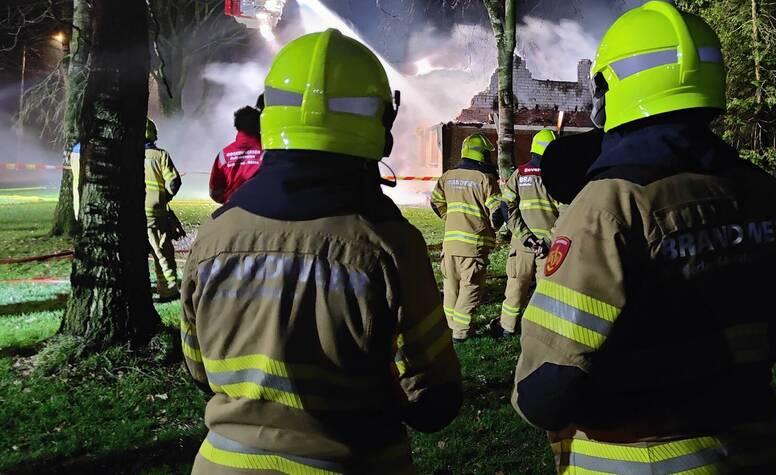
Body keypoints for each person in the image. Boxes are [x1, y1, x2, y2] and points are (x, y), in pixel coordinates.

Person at [511, 0, 776, 473]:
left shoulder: (609, 206)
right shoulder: (763, 192)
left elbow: (547, 391)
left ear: (607, 90)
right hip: (749, 451)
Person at [180, 29, 462, 474]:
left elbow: (199, 369)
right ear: (381, 126)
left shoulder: (216, 235)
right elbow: (432, 400)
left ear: (269, 114)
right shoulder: (388, 243)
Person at [430, 133, 503, 340]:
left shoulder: (447, 176)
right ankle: (461, 333)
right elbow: (496, 214)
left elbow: (436, 202)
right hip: (474, 246)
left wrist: (450, 218)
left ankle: (450, 328)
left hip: (450, 245)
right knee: (470, 289)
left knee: (451, 287)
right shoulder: (485, 179)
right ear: (481, 154)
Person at [495, 128, 559, 337]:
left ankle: (508, 328)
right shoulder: (558, 176)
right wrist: (547, 241)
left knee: (515, 286)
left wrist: (525, 237)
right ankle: (543, 331)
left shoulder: (519, 174)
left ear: (533, 150)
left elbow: (507, 207)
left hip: (522, 245)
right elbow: (567, 211)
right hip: (549, 248)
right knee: (546, 290)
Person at [144, 118, 182, 300]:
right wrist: (164, 197)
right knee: (163, 253)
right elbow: (174, 182)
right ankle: (169, 290)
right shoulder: (161, 156)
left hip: (133, 215)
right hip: (157, 215)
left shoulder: (126, 157)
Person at [208, 105, 263, 204]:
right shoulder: (269, 152)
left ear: (236, 126)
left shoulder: (224, 155)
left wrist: (229, 200)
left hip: (233, 208)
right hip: (263, 209)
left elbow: (214, 190)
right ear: (259, 125)